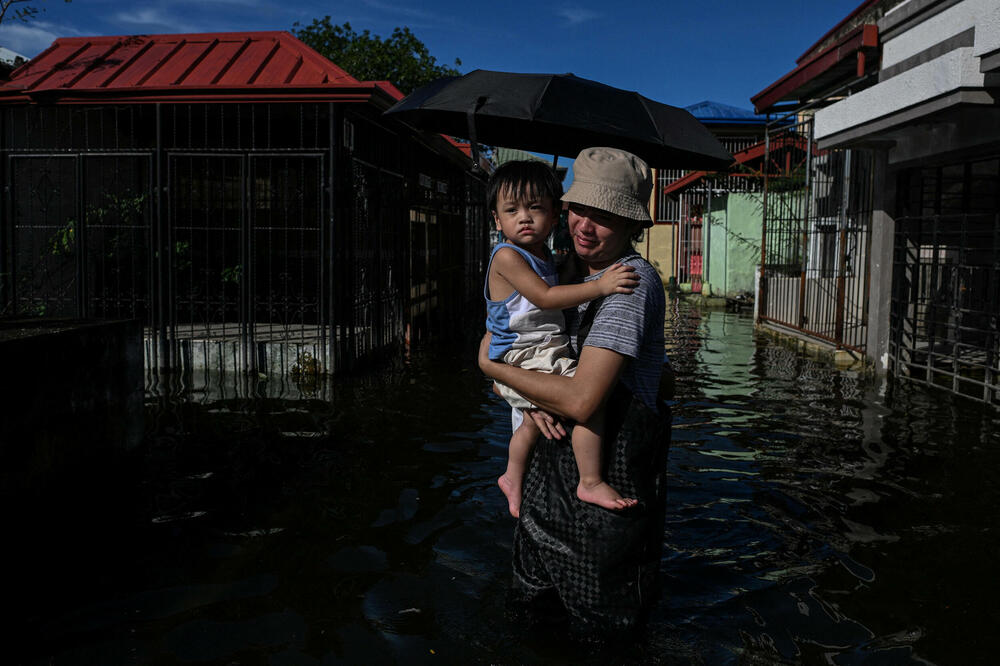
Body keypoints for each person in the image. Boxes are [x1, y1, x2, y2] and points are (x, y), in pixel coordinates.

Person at [478, 147, 671, 634]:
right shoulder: (566, 271)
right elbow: (511, 339)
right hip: (548, 489)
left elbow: (582, 401)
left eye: (604, 216)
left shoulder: (627, 284)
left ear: (632, 225)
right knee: (532, 623)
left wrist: (490, 368)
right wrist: (514, 388)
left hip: (603, 501)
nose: (585, 225)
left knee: (602, 634)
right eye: (579, 209)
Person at [484, 160, 639, 518]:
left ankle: (511, 475)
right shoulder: (507, 256)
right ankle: (589, 480)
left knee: (530, 422)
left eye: (535, 208)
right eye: (512, 210)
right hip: (524, 352)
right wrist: (600, 285)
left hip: (535, 349)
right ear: (497, 220)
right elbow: (545, 298)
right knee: (589, 398)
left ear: (553, 215)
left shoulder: (544, 256)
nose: (524, 218)